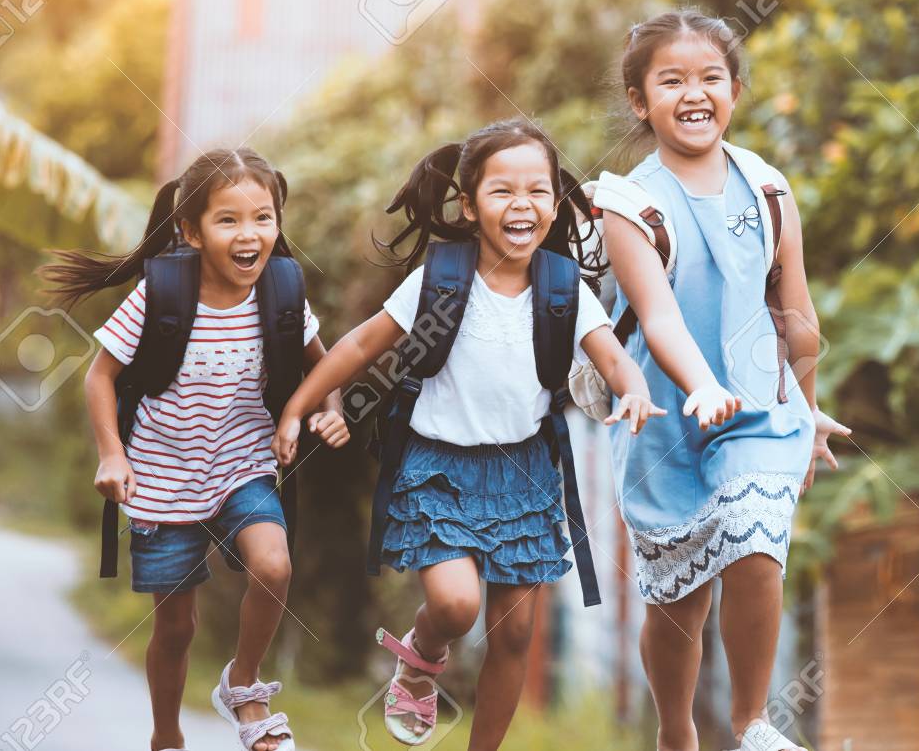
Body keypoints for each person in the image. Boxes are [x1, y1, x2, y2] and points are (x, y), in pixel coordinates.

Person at [274, 119, 662, 750]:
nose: (522, 204)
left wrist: (635, 390)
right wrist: (297, 407)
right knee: (456, 606)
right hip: (438, 470)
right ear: (469, 205)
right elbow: (362, 345)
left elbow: (612, 357)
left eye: (537, 191)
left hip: (525, 474)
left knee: (514, 633)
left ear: (556, 204)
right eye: (502, 190)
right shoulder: (443, 278)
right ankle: (422, 657)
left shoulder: (562, 287)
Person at [595, 10, 851, 751]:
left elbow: (796, 315)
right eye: (671, 80)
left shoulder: (768, 188)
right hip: (664, 421)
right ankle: (675, 730)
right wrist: (702, 385)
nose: (694, 93)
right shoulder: (628, 205)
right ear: (640, 101)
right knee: (677, 603)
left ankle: (752, 724)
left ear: (735, 90)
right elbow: (658, 317)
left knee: (754, 541)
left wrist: (807, 410)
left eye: (711, 77)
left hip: (760, 412)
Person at [44, 148, 348, 751]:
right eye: (228, 219)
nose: (249, 234)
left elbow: (325, 366)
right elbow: (99, 377)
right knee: (176, 627)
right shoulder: (161, 294)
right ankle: (166, 735)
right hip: (161, 474)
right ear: (191, 231)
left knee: (274, 566)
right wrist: (112, 454)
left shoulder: (283, 292)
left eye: (263, 218)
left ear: (278, 223)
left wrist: (329, 410)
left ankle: (244, 683)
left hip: (243, 463)